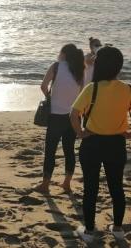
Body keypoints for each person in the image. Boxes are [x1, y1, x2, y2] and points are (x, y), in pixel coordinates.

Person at [70, 46, 130, 243]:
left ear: (98, 65)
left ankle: (88, 231)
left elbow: (74, 114)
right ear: (119, 67)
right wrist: (127, 132)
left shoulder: (92, 88)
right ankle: (118, 229)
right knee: (116, 187)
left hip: (92, 143)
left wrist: (80, 133)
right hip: (116, 144)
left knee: (91, 188)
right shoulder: (126, 89)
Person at [35, 44, 85, 194]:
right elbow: (82, 93)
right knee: (69, 149)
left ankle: (45, 184)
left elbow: (43, 86)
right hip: (73, 117)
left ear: (63, 54)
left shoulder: (56, 67)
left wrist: (50, 97)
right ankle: (67, 183)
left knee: (50, 150)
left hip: (56, 116)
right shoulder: (79, 70)